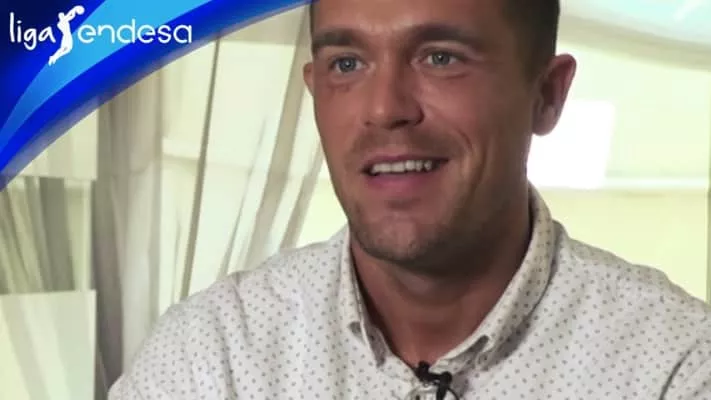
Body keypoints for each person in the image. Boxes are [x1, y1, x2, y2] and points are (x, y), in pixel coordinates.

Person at [109, 0, 711, 398]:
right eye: (347, 63)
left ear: (547, 96)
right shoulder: (211, 357)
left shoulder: (674, 366)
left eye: (440, 58)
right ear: (315, 93)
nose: (384, 108)